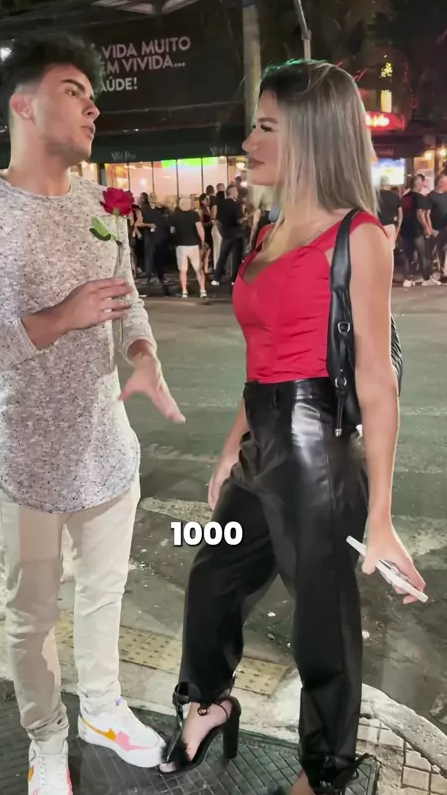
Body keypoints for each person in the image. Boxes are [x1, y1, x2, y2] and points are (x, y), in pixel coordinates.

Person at [159, 60, 425, 795]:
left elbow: (376, 380)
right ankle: (208, 703)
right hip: (260, 445)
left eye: (266, 127)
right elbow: (263, 359)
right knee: (211, 580)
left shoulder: (358, 237)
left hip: (315, 458)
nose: (248, 141)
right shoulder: (268, 231)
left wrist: (381, 518)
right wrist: (229, 452)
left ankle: (325, 772)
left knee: (322, 629)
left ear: (310, 136)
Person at [0, 32, 185, 795]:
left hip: (109, 452)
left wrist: (143, 354)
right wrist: (57, 318)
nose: (93, 107)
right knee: (31, 617)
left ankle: (101, 709)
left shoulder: (104, 206)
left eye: (93, 96)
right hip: (27, 463)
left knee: (104, 594)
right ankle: (46, 741)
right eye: (74, 92)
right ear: (23, 106)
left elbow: (128, 306)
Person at [400, 175, 437, 287]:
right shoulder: (419, 197)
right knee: (422, 254)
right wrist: (426, 226)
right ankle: (426, 278)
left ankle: (407, 278)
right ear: (417, 184)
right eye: (421, 183)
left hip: (405, 229)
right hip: (416, 230)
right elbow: (419, 214)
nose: (423, 185)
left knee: (407, 255)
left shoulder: (404, 197)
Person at [171, 196, 207, 298]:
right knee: (198, 269)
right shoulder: (194, 215)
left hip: (180, 246)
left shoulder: (175, 216)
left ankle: (184, 291)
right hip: (194, 245)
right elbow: (200, 229)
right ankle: (202, 290)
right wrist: (203, 242)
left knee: (183, 271)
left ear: (180, 205)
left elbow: (172, 231)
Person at [211, 184, 245, 287]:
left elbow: (217, 220)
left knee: (223, 256)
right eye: (236, 191)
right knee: (236, 258)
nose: (237, 193)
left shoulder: (221, 204)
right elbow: (239, 220)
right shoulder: (236, 204)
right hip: (237, 234)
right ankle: (234, 280)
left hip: (226, 234)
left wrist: (222, 232)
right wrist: (247, 218)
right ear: (233, 192)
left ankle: (216, 279)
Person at [425, 172, 447, 282]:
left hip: (445, 228)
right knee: (432, 252)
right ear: (441, 182)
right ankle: (429, 274)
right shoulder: (431, 196)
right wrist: (430, 228)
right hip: (435, 229)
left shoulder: (446, 195)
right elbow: (426, 214)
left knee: (443, 251)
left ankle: (443, 273)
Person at [378, 175, 402, 249]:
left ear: (380, 184)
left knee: (379, 249)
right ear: (388, 184)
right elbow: (400, 216)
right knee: (390, 250)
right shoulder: (395, 196)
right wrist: (397, 230)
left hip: (378, 226)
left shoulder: (375, 196)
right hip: (390, 227)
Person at [199, 192, 213, 274]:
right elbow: (201, 224)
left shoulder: (208, 208)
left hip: (209, 231)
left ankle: (205, 269)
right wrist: (210, 223)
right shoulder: (201, 210)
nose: (208, 200)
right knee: (204, 251)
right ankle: (199, 268)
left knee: (208, 252)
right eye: (206, 199)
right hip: (205, 232)